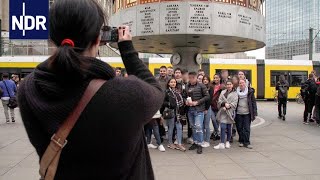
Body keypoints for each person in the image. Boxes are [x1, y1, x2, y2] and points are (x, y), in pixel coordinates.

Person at [17, 0, 164, 179]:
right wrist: (127, 48)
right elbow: (156, 90)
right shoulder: (126, 94)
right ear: (97, 38)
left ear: (53, 37)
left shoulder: (27, 89)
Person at [186, 72, 210, 154]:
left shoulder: (201, 85)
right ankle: (195, 142)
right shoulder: (187, 86)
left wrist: (198, 102)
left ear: (196, 77)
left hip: (199, 109)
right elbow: (185, 95)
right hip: (190, 110)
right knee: (193, 127)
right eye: (190, 77)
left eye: (193, 77)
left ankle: (200, 144)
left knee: (199, 127)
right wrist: (186, 101)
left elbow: (207, 97)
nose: (191, 79)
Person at [161, 78, 186, 151]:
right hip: (171, 112)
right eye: (171, 82)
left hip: (178, 113)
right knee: (171, 128)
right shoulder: (167, 92)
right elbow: (163, 102)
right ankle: (170, 143)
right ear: (168, 83)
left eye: (174, 82)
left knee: (179, 127)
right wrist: (169, 104)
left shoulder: (178, 92)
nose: (173, 83)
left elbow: (180, 100)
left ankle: (179, 143)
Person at [214, 80, 238, 150]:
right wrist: (224, 104)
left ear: (232, 85)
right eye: (227, 84)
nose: (229, 86)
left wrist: (229, 106)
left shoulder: (235, 93)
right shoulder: (223, 92)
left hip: (230, 112)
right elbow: (219, 101)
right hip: (223, 112)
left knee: (229, 127)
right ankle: (221, 143)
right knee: (222, 127)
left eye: (230, 84)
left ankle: (227, 142)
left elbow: (235, 103)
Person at [235, 79, 257, 149]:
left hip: (247, 113)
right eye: (240, 83)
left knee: (247, 128)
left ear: (245, 84)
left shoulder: (250, 92)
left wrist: (255, 112)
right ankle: (241, 140)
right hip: (238, 113)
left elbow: (253, 102)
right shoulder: (236, 92)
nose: (241, 84)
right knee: (239, 128)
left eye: (242, 83)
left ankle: (247, 142)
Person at [210, 74, 223, 140]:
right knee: (213, 119)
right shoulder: (211, 86)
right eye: (214, 78)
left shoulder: (222, 87)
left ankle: (215, 134)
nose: (215, 79)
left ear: (220, 78)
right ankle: (217, 132)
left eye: (217, 78)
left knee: (217, 120)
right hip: (211, 106)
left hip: (218, 106)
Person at [202, 75, 213, 147]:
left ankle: (207, 140)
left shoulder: (210, 88)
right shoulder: (201, 87)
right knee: (202, 125)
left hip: (207, 108)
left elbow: (209, 99)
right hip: (201, 108)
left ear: (208, 81)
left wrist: (206, 109)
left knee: (206, 125)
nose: (205, 80)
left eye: (206, 79)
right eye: (204, 79)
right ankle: (202, 139)